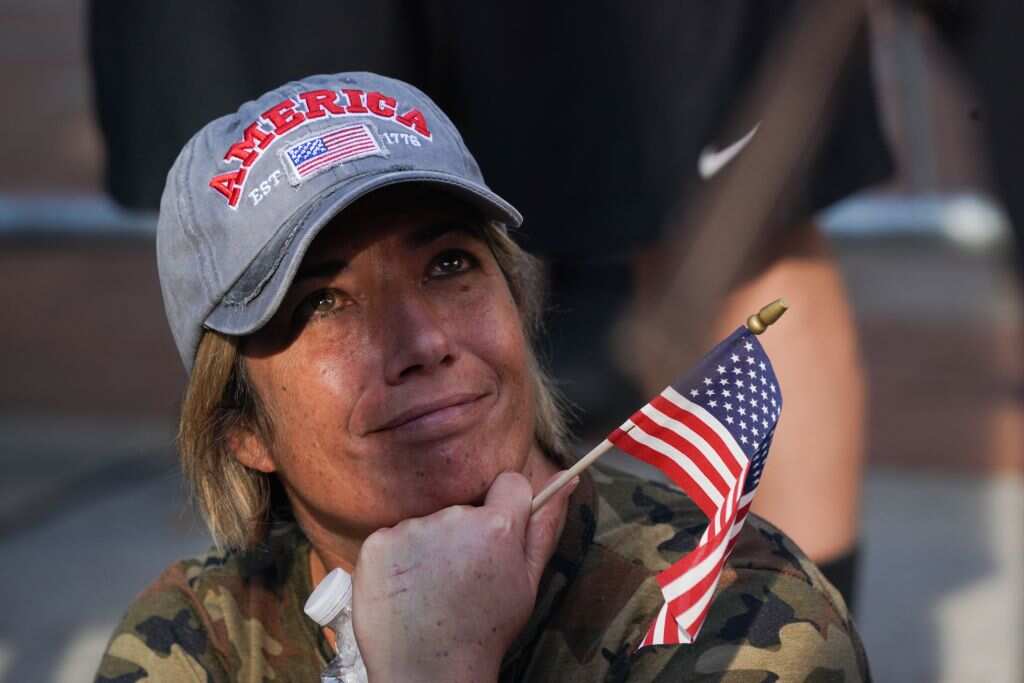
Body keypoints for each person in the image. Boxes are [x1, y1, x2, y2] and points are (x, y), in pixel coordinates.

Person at [90, 3, 892, 606]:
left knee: (731, 225)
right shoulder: (173, 640)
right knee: (258, 203)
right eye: (321, 303)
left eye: (451, 264)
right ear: (234, 429)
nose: (423, 340)